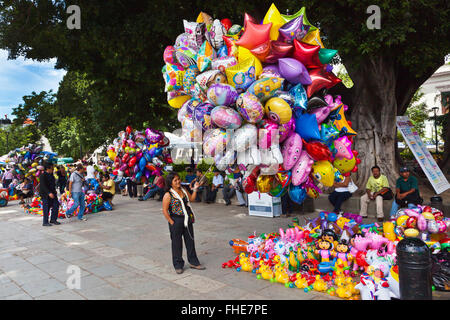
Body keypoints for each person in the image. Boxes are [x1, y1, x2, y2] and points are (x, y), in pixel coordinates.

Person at [162, 172, 205, 274]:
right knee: (177, 244)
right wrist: (172, 222)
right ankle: (178, 264)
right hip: (176, 221)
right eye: (175, 180)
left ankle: (193, 261)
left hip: (187, 219)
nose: (178, 182)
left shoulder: (184, 190)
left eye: (178, 179)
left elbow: (192, 199)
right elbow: (164, 210)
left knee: (190, 241)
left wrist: (195, 189)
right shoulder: (168, 195)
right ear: (170, 183)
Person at [39, 162, 60, 226]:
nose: (53, 169)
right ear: (48, 169)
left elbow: (53, 184)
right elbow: (43, 186)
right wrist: (49, 193)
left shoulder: (52, 175)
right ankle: (45, 222)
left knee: (56, 205)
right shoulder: (43, 175)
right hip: (45, 194)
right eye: (52, 168)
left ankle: (53, 219)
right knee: (46, 208)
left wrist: (54, 191)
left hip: (53, 193)